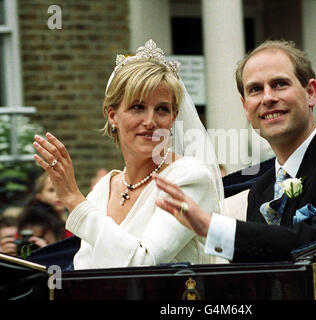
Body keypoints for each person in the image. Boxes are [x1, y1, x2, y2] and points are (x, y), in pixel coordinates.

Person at [154, 39, 316, 263]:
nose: (268, 98)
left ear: (310, 92)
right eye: (255, 90)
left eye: (280, 84)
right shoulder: (260, 189)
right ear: (245, 107)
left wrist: (214, 228)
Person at [32, 40, 223, 269]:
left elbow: (144, 263)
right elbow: (83, 270)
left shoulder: (190, 176)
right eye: (137, 107)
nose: (151, 121)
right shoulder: (102, 190)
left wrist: (74, 199)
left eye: (162, 109)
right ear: (113, 116)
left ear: (173, 118)